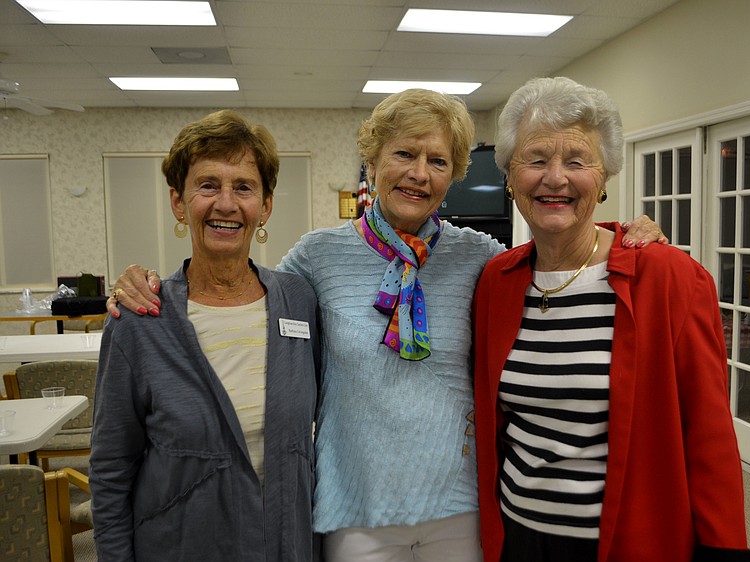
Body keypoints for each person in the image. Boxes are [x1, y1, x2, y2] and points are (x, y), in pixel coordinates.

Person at [106, 89, 664, 561]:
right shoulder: (315, 259)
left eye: (438, 161)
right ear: (372, 161)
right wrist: (149, 282)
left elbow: (557, 255)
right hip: (356, 505)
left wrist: (628, 234)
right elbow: (242, 283)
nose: (419, 174)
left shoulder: (481, 259)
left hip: (459, 502)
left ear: (454, 176)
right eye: (404, 153)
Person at [473, 77, 750, 562]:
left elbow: (709, 436)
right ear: (510, 176)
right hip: (516, 535)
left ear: (604, 179)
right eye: (536, 159)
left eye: (577, 161)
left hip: (625, 541)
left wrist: (723, 551)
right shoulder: (496, 280)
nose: (555, 178)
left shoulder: (669, 279)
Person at [89, 110, 321, 561]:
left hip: (285, 543)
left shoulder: (299, 300)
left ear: (266, 205)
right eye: (208, 185)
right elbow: (111, 468)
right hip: (182, 545)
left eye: (244, 187)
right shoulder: (139, 319)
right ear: (179, 202)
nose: (226, 203)